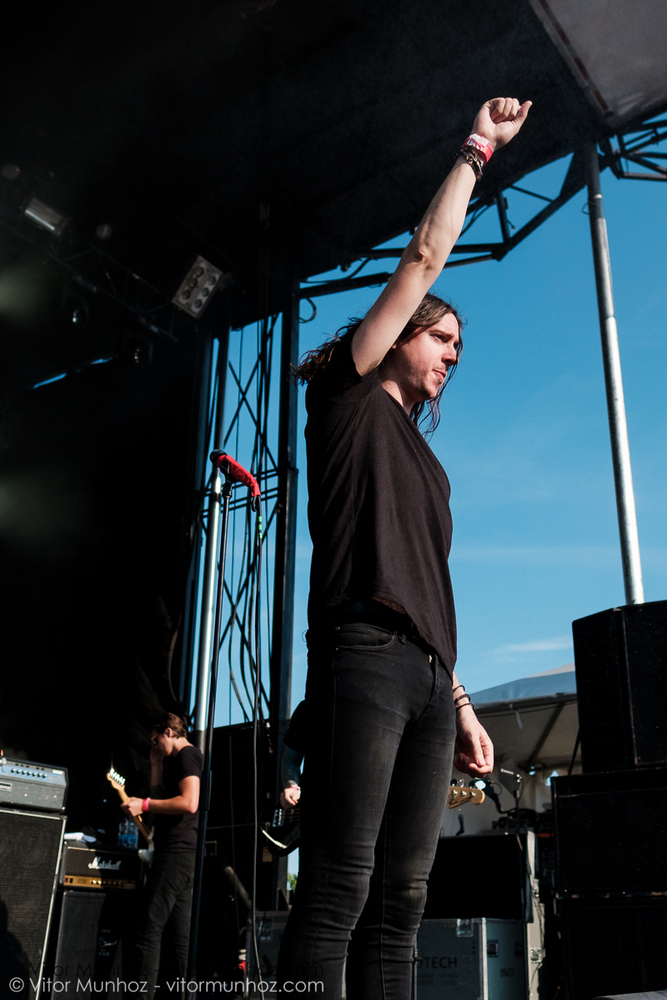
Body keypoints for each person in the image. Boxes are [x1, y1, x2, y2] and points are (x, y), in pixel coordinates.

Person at [276, 97, 532, 999]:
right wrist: (476, 152)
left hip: (426, 676)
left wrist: (461, 702)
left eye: (460, 345)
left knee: (404, 903)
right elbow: (426, 254)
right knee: (339, 891)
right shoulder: (345, 401)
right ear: (398, 331)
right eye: (441, 334)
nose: (453, 354)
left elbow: (423, 582)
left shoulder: (425, 461)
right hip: (363, 659)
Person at [121, 712, 203, 998]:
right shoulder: (173, 760)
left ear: (168, 732)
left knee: (148, 927)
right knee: (182, 938)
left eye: (156, 739)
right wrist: (155, 764)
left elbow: (189, 803)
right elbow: (160, 798)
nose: (154, 744)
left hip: (177, 853)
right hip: (184, 855)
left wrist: (143, 804)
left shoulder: (187, 756)